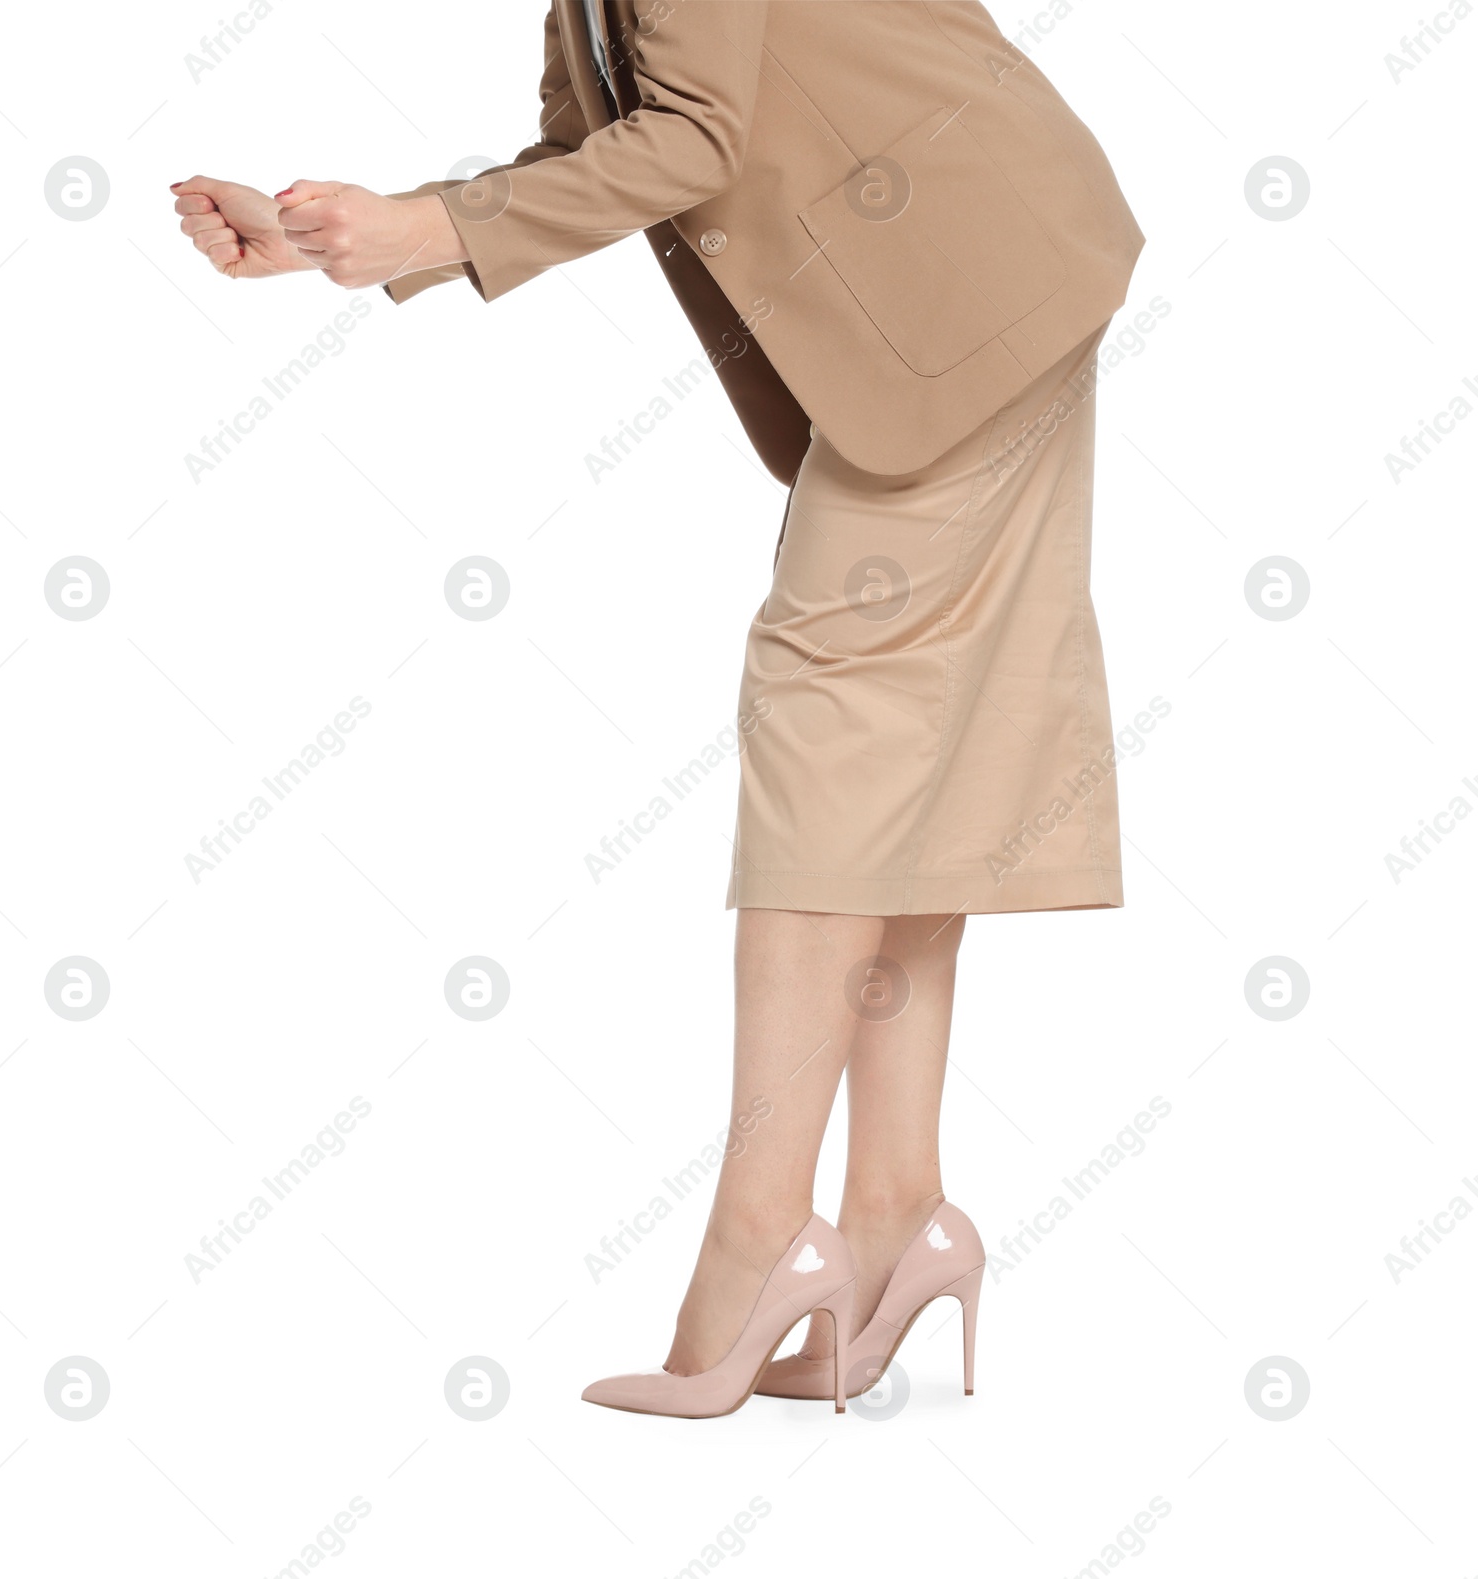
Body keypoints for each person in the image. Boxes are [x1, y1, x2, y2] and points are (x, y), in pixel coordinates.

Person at [170, 0, 1144, 1420]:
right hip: (978, 274)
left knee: (836, 723)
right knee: (908, 742)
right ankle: (891, 1222)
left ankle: (765, 1245)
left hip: (965, 281)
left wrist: (423, 231)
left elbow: (693, 138)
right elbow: (602, 136)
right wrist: (362, 233)